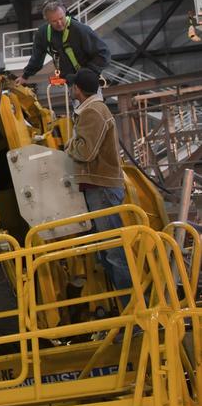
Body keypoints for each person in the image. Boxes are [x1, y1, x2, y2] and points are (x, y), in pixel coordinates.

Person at [67, 67, 130, 289]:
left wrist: (68, 145)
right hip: (99, 187)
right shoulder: (94, 109)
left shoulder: (92, 111)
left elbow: (85, 152)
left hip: (101, 188)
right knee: (107, 252)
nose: (71, 89)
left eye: (73, 86)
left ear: (78, 89)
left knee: (113, 252)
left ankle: (131, 306)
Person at [21, 0, 111, 85]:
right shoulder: (43, 34)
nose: (59, 23)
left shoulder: (80, 30)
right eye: (54, 21)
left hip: (88, 80)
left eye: (61, 18)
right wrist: (25, 76)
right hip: (70, 83)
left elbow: (103, 53)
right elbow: (37, 58)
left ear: (65, 13)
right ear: (47, 20)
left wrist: (87, 74)